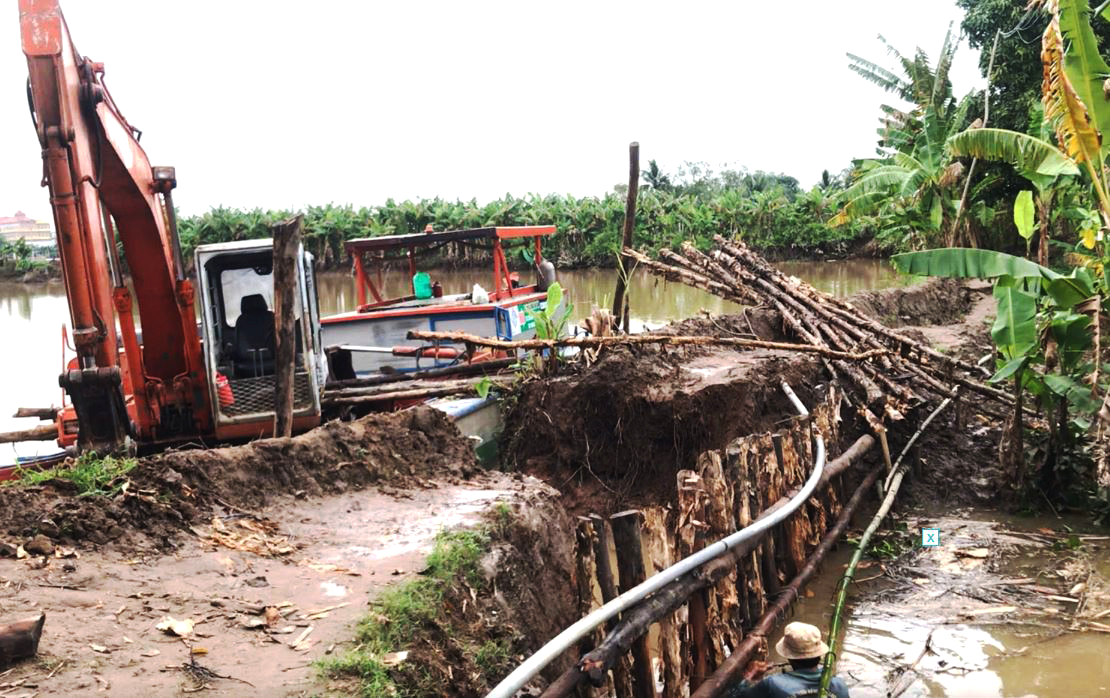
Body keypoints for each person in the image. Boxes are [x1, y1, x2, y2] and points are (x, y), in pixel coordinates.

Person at [726, 622, 849, 698]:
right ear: (819, 655)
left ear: (790, 658)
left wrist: (749, 676)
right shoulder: (839, 685)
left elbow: (737, 696)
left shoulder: (772, 684)